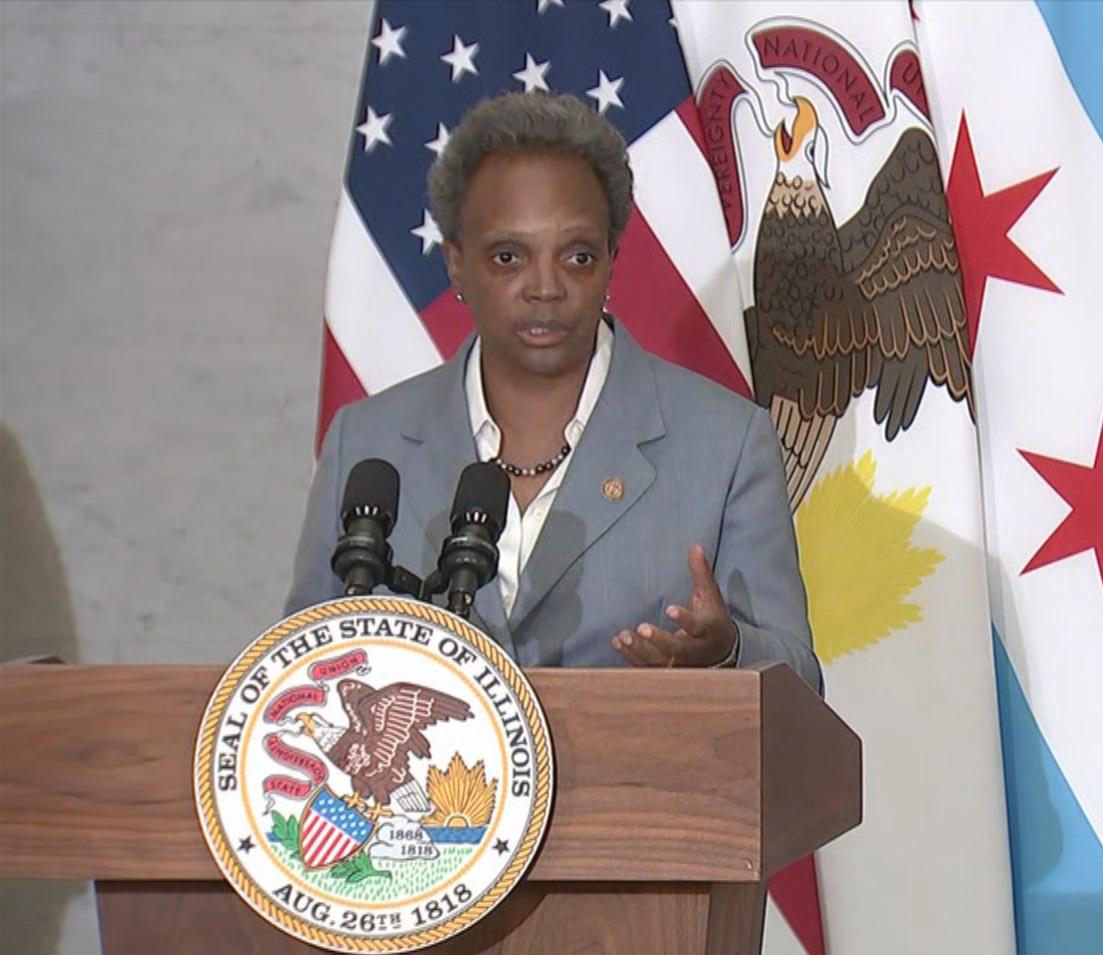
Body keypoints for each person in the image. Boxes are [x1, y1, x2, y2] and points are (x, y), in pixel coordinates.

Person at [286, 92, 820, 692]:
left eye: (578, 256)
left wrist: (728, 651)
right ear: (457, 263)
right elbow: (295, 674)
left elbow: (800, 677)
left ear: (613, 258)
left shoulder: (725, 443)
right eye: (509, 257)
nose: (545, 287)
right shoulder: (366, 442)